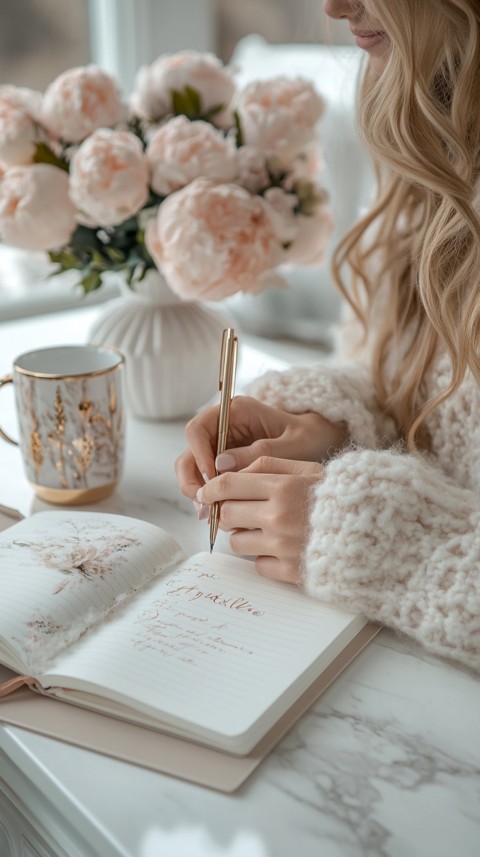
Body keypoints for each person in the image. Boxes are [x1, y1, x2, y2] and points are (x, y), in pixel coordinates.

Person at [175, 0, 480, 672]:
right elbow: (417, 385)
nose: (334, 7)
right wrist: (322, 422)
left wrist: (378, 539)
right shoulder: (427, 117)